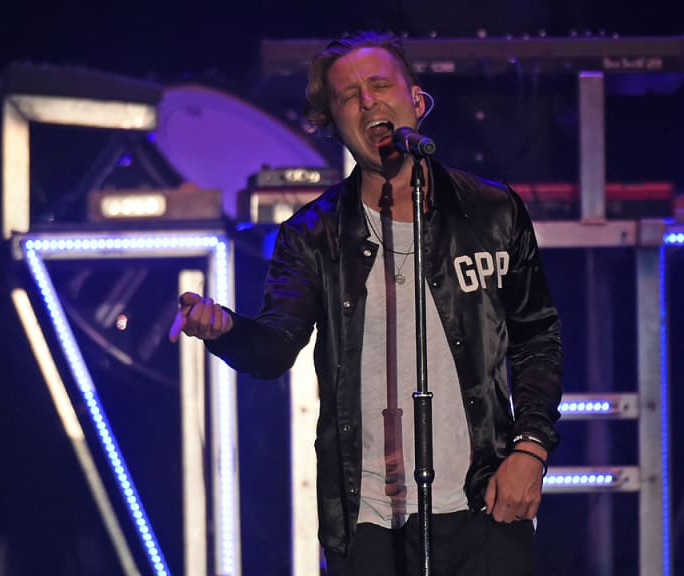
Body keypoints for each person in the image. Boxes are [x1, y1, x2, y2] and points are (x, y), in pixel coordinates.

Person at [169, 30, 562, 576]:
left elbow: (537, 337)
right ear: (333, 124)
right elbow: (274, 348)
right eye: (349, 95)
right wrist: (224, 330)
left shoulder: (492, 212)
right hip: (372, 522)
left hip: (485, 504)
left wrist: (531, 450)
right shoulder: (312, 235)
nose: (369, 100)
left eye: (380, 84)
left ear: (417, 102)